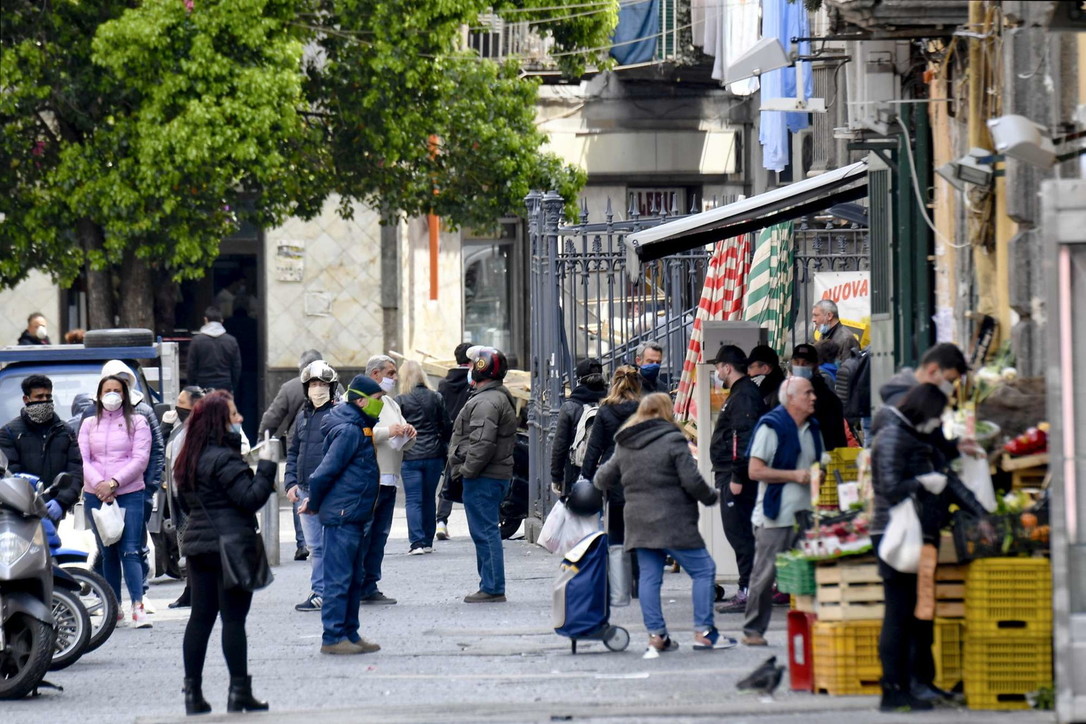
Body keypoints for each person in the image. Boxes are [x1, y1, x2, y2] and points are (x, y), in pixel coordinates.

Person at [870, 383, 989, 711]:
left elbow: (948, 480)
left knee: (914, 614)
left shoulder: (913, 437)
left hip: (918, 532)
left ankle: (909, 685)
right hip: (895, 533)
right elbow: (890, 488)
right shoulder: (894, 437)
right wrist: (923, 483)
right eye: (936, 415)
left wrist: (982, 514)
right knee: (898, 614)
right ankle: (893, 691)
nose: (938, 422)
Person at [594, 393, 732, 652]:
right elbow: (692, 481)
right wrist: (711, 496)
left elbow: (601, 479)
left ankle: (656, 636)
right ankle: (704, 631)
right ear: (666, 412)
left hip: (638, 522)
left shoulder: (625, 443)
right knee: (703, 571)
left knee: (649, 578)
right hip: (674, 521)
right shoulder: (672, 439)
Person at [173, 390, 277, 715]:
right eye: (234, 415)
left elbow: (182, 504)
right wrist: (267, 467)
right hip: (230, 546)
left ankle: (193, 695)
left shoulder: (187, 458)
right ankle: (239, 692)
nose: (240, 419)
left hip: (198, 546)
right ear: (221, 422)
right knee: (233, 620)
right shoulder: (224, 458)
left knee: (200, 619)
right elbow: (250, 498)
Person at [300, 374, 385, 655]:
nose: (381, 405)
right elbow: (325, 472)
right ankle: (334, 636)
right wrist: (314, 502)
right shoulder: (349, 430)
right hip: (343, 513)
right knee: (339, 577)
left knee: (352, 577)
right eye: (377, 400)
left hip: (353, 511)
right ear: (361, 400)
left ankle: (350, 631)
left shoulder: (359, 425)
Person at [741, 377, 822, 646]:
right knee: (765, 575)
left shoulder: (813, 429)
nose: (813, 397)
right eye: (807, 393)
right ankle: (753, 630)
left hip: (806, 514)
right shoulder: (771, 427)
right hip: (774, 516)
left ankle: (814, 628)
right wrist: (794, 476)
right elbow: (755, 471)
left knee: (811, 572)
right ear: (791, 398)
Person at [78, 374, 153, 627]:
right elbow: (83, 458)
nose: (112, 395)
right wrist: (100, 485)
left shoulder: (138, 422)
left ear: (125, 394)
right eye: (107, 390)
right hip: (95, 493)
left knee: (130, 550)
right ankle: (114, 608)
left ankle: (138, 605)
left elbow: (140, 458)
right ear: (99, 394)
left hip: (129, 492)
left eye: (117, 390)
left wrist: (114, 483)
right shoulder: (88, 423)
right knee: (107, 551)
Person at [447, 346, 517, 603]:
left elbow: (482, 443)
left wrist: (466, 471)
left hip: (484, 477)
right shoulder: (494, 396)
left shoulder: (487, 401)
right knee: (485, 531)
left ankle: (492, 586)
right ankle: (490, 584)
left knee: (485, 532)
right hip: (491, 475)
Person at [708, 346, 767, 615]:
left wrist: (737, 475)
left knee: (739, 532)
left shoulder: (743, 395)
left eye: (718, 367)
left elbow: (742, 437)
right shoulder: (741, 393)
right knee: (739, 532)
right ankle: (751, 587)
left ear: (727, 367)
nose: (717, 372)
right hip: (732, 473)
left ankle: (748, 590)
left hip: (735, 477)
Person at [358, 354, 416, 604]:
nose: (394, 378)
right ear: (375, 374)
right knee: (366, 533)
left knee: (380, 534)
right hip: (371, 478)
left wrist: (408, 433)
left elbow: (402, 438)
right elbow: (359, 432)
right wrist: (387, 432)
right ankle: (359, 584)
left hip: (390, 478)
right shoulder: (360, 401)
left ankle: (370, 584)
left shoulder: (391, 404)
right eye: (390, 373)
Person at [284, 360, 339, 612]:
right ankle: (320, 591)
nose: (317, 389)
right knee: (315, 546)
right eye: (313, 384)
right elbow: (293, 451)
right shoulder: (303, 416)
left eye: (322, 384)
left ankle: (334, 589)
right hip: (305, 488)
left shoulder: (338, 414)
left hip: (330, 490)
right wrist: (291, 482)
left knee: (333, 544)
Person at [259, 348, 323, 562]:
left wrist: (262, 438)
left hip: (299, 441)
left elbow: (272, 416)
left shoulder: (290, 387)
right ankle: (318, 538)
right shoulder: (335, 385)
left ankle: (303, 542)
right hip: (326, 444)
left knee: (300, 490)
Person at [0, 374, 84, 519]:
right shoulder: (9, 432)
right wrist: (30, 501)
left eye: (48, 396)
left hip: (54, 508)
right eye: (39, 397)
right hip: (21, 511)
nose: (45, 401)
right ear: (26, 399)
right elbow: (10, 474)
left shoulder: (65, 431)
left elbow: (75, 471)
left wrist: (61, 501)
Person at [396, 360, 452, 555]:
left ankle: (417, 543)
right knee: (429, 498)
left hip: (410, 455)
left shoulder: (400, 400)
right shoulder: (435, 397)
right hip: (434, 455)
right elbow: (446, 425)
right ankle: (428, 541)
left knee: (413, 499)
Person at [162, 386, 206, 609]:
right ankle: (190, 590)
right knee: (187, 549)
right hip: (179, 498)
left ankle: (201, 592)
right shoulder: (179, 427)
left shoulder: (205, 428)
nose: (177, 407)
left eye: (182, 402)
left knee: (199, 549)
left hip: (197, 500)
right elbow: (164, 453)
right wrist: (164, 428)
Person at [549, 358, 606, 496]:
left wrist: (556, 476)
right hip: (606, 466)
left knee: (577, 511)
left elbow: (560, 446)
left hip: (576, 469)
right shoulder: (609, 403)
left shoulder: (570, 407)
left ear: (579, 379)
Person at [435, 342, 473, 540]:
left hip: (449, 437)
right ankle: (475, 522)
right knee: (472, 478)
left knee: (449, 478)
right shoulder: (473, 382)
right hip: (469, 437)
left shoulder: (444, 383)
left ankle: (441, 521)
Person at [789, 344, 847, 452]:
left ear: (815, 366)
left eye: (806, 363)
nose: (800, 367)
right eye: (797, 362)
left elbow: (837, 438)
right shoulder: (785, 393)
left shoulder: (828, 399)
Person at [186, 306, 242, 393]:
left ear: (205, 320)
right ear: (222, 321)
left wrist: (192, 384)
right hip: (225, 384)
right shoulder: (231, 341)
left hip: (203, 384)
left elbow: (191, 367)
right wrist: (233, 385)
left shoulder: (197, 341)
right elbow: (236, 366)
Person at [812, 299, 859, 363]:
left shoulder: (846, 338)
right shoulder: (824, 334)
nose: (813, 320)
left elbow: (848, 369)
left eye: (816, 315)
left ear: (829, 316)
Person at [747, 345, 785, 409]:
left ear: (765, 368)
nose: (748, 372)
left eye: (751, 367)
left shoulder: (765, 388)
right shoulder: (781, 384)